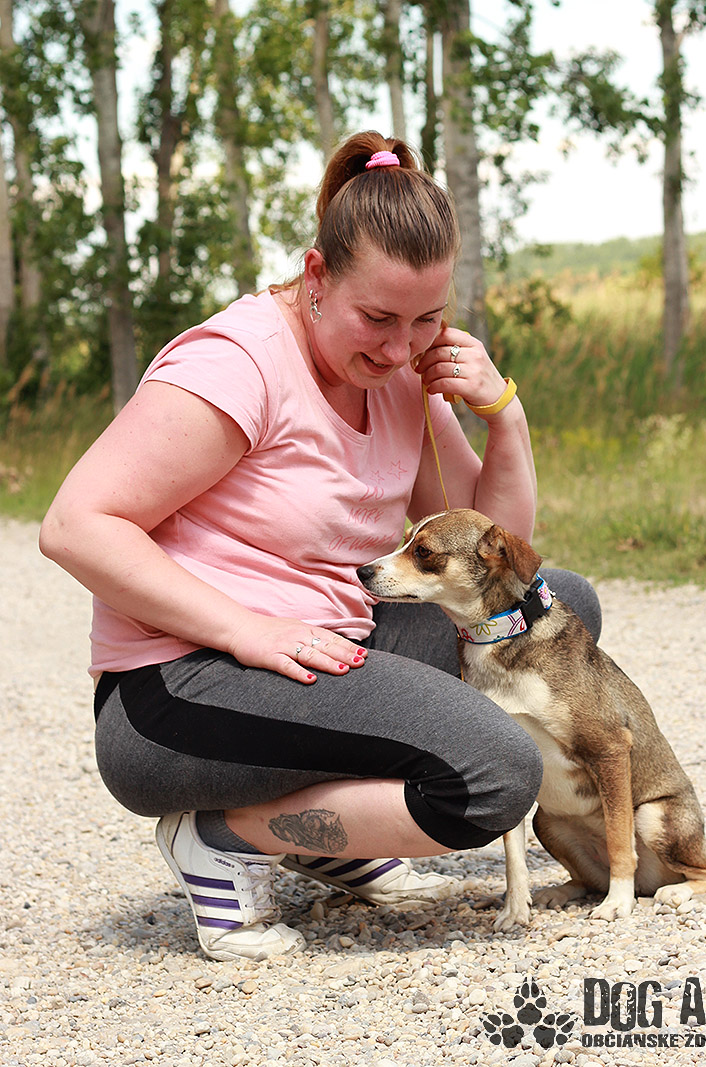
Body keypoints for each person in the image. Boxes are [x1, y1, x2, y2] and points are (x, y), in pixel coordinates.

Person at [40, 131, 602, 962]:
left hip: (318, 651)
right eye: (377, 318)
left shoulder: (399, 374)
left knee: (554, 609)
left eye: (426, 320)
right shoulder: (237, 366)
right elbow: (76, 523)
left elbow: (494, 560)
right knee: (494, 776)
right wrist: (244, 628)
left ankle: (327, 834)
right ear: (316, 276)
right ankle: (227, 834)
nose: (400, 348)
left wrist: (504, 414)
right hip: (177, 690)